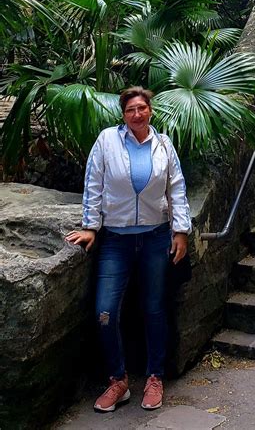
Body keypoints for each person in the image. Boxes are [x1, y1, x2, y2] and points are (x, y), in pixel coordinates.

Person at [65, 86, 192, 414]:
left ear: (150, 110)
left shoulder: (163, 145)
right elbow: (94, 183)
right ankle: (118, 380)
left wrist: (181, 231)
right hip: (116, 240)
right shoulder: (108, 141)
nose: (136, 114)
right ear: (123, 115)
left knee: (154, 308)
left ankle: (154, 377)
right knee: (104, 310)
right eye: (130, 110)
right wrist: (90, 227)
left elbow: (175, 188)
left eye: (142, 108)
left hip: (155, 237)